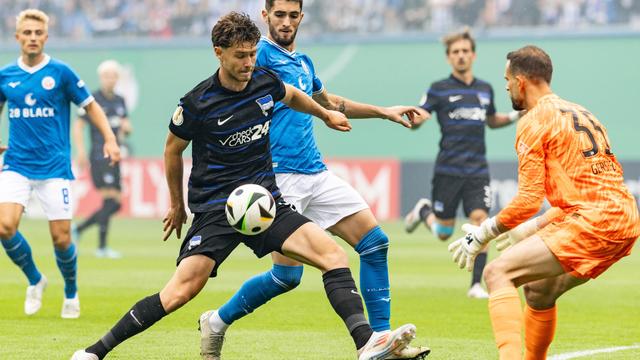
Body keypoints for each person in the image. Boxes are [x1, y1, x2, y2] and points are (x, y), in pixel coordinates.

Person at [71, 12, 419, 360]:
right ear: (218, 52)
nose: (249, 62)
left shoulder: (264, 81)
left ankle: (366, 344)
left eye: (252, 54)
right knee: (179, 292)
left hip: (265, 202)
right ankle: (94, 352)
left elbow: (293, 95)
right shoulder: (197, 103)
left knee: (333, 255)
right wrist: (177, 205)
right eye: (240, 56)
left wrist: (324, 114)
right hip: (216, 209)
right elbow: (172, 149)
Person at [202, 1, 430, 359]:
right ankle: (216, 321)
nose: (287, 22)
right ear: (266, 16)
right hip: (278, 178)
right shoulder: (257, 56)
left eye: (293, 15)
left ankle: (383, 341)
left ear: (301, 18)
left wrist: (383, 112)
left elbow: (331, 102)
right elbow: (228, 84)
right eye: (279, 15)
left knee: (375, 242)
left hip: (316, 173)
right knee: (286, 277)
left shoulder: (303, 63)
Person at [447, 45, 640, 359]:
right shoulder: (582, 112)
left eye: (508, 79)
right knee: (538, 291)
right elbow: (586, 190)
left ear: (522, 81)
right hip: (625, 218)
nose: (506, 85)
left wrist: (483, 233)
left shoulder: (534, 121)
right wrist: (531, 227)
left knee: (497, 273)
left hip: (595, 221)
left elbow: (527, 200)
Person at [0, 9, 120, 319]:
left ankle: (70, 292)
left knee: (62, 237)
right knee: (4, 226)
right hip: (16, 164)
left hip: (54, 168)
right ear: (17, 38)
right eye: (27, 33)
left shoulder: (62, 72)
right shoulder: (6, 76)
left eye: (38, 33)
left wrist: (109, 138)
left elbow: (90, 107)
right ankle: (35, 279)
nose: (32, 38)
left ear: (46, 37)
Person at [403, 28, 521, 299]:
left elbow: (491, 121)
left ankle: (476, 285)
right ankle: (424, 211)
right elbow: (419, 116)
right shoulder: (438, 89)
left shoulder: (485, 89)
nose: (461, 56)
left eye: (465, 51)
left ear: (473, 55)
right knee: (444, 232)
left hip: (477, 170)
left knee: (481, 223)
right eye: (455, 52)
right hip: (447, 169)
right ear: (448, 58)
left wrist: (516, 117)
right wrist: (415, 121)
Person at [72, 59, 132, 259]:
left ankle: (79, 229)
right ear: (101, 77)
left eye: (114, 76)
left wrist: (126, 129)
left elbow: (125, 124)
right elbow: (79, 126)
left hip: (115, 155)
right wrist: (80, 151)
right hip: (99, 154)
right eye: (107, 76)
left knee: (116, 204)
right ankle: (102, 247)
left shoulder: (120, 100)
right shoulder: (92, 99)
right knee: (108, 200)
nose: (111, 79)